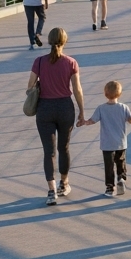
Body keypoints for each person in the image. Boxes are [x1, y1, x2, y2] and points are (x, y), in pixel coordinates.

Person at [28, 27, 85, 206]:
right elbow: (77, 89)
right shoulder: (71, 63)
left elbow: (29, 88)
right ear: (65, 41)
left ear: (49, 41)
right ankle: (64, 183)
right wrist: (82, 111)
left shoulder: (38, 62)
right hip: (65, 108)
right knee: (64, 148)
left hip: (45, 109)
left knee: (49, 151)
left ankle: (51, 191)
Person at [83, 80, 131, 197]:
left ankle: (110, 187)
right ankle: (121, 178)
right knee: (120, 161)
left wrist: (84, 122)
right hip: (120, 142)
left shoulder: (101, 108)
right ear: (120, 94)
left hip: (107, 144)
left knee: (109, 165)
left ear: (105, 93)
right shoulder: (123, 107)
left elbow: (92, 121)